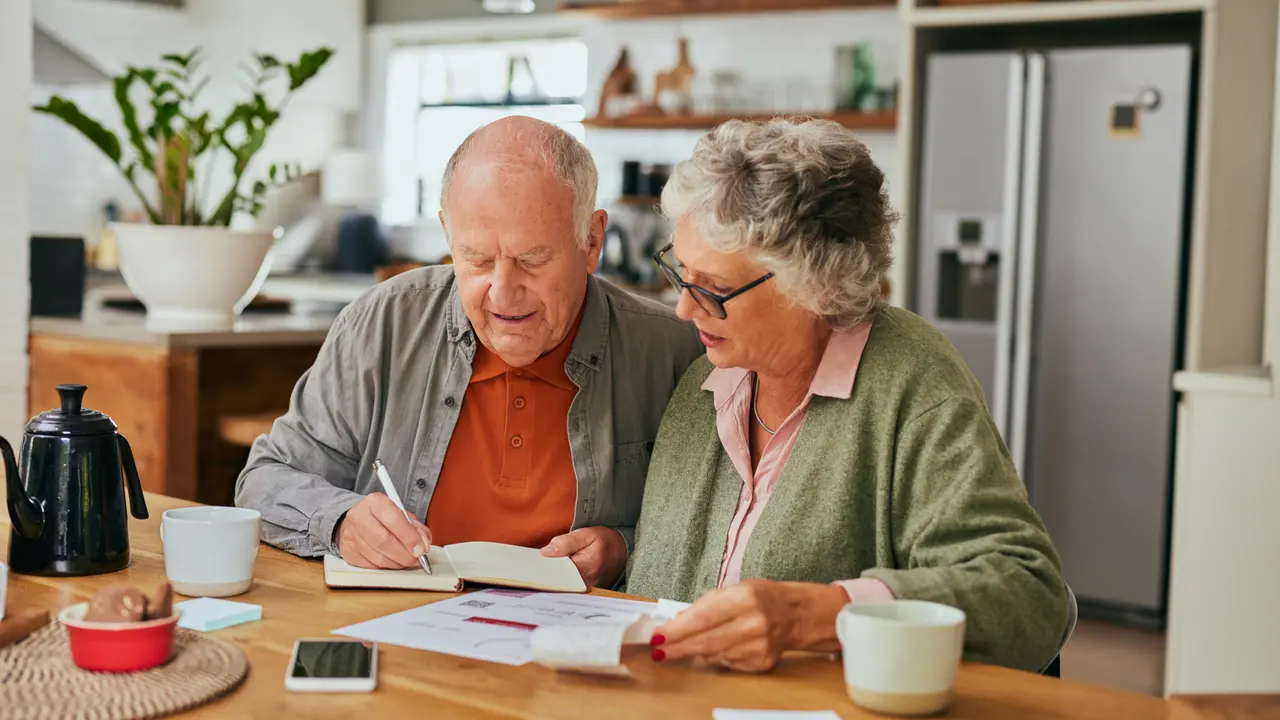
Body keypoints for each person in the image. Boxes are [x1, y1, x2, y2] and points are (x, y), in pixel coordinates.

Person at [625, 118, 1069, 673]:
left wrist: (825, 614)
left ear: (813, 283)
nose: (685, 309)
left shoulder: (913, 382)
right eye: (682, 274)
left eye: (714, 288)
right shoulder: (707, 383)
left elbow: (1027, 594)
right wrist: (619, 555)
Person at [235, 117, 704, 589]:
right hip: (400, 627)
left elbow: (719, 538)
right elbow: (264, 481)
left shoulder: (673, 352)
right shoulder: (383, 323)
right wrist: (340, 520)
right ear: (447, 234)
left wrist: (627, 547)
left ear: (592, 241)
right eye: (477, 259)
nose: (503, 294)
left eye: (533, 260)